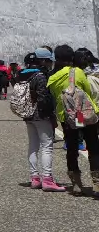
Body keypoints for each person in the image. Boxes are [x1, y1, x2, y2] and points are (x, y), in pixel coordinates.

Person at [47, 44, 99, 196]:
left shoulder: (52, 77)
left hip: (67, 117)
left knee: (72, 148)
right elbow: (87, 92)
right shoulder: (76, 72)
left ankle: (76, 184)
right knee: (93, 146)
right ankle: (96, 184)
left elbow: (54, 96)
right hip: (83, 114)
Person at [15, 50, 64, 192]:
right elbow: (43, 98)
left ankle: (34, 178)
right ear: (42, 61)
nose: (50, 64)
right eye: (48, 61)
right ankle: (47, 179)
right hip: (41, 116)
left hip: (27, 114)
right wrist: (50, 115)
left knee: (33, 146)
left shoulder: (22, 74)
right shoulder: (40, 76)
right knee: (47, 146)